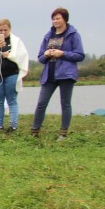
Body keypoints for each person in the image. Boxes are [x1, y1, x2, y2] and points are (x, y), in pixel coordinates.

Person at [31, 7, 85, 141]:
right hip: (49, 73)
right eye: (53, 18)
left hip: (66, 74)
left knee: (65, 103)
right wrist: (46, 54)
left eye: (58, 18)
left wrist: (63, 53)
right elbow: (40, 58)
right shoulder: (48, 36)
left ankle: (63, 133)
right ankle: (34, 131)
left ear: (65, 19)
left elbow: (80, 55)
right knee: (41, 102)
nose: (55, 21)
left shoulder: (73, 34)